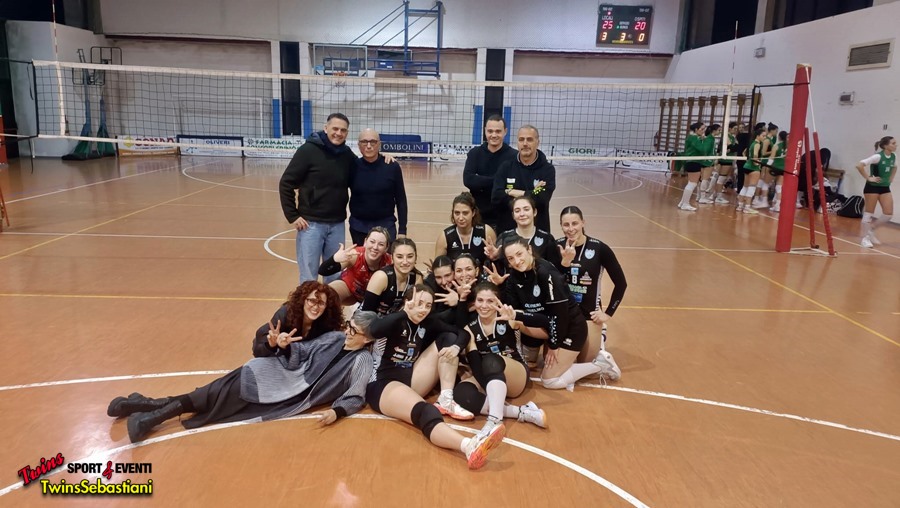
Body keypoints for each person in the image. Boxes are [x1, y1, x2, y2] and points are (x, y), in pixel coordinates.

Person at [108, 283, 373, 443]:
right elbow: (295, 352)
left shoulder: (358, 357)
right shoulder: (326, 334)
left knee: (214, 397)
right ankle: (150, 417)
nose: (348, 332)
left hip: (289, 394)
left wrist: (338, 412)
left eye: (355, 330)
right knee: (212, 393)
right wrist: (279, 344)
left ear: (368, 338)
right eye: (312, 300)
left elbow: (356, 395)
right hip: (272, 370)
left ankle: (142, 405)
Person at [365, 286, 503, 470]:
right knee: (426, 411)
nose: (423, 309)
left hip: (411, 379)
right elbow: (374, 330)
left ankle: (446, 398)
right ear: (407, 302)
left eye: (428, 305)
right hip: (383, 385)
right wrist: (405, 312)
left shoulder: (427, 322)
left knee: (448, 338)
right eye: (419, 303)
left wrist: (456, 347)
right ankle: (469, 446)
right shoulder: (395, 320)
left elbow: (461, 333)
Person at [492, 237, 611, 391]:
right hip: (550, 324)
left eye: (519, 254)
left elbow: (559, 315)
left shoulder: (546, 273)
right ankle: (521, 357)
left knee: (549, 381)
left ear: (529, 250)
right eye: (511, 258)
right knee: (513, 318)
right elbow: (514, 309)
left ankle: (600, 364)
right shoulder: (515, 276)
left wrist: (554, 346)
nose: (516, 261)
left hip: (571, 327)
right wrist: (501, 287)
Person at [453, 282, 548, 439]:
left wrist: (518, 316)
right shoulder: (470, 329)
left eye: (490, 301)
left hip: (515, 375)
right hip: (488, 376)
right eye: (480, 300)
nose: (484, 305)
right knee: (461, 394)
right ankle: (521, 412)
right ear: (474, 303)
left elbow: (546, 326)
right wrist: (489, 389)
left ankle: (494, 421)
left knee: (491, 360)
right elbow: (476, 366)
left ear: (498, 302)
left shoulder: (509, 317)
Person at [280, 113, 357, 284]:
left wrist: (382, 157)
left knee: (334, 274)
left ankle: (331, 303)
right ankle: (308, 303)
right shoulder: (308, 151)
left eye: (343, 130)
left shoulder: (346, 155)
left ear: (347, 133)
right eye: (335, 128)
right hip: (311, 225)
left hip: (337, 224)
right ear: (326, 128)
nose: (338, 133)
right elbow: (286, 183)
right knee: (309, 276)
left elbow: (364, 169)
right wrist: (292, 215)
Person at [556, 206, 625, 380]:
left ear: (583, 223)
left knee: (588, 372)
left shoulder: (599, 248)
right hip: (563, 314)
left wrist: (607, 313)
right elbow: (550, 280)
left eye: (575, 223)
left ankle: (600, 342)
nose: (570, 229)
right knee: (557, 367)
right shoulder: (556, 247)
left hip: (589, 315)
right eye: (566, 224)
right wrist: (564, 263)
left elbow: (621, 284)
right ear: (561, 225)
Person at [348, 129, 408, 246]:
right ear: (359, 145)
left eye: (373, 142)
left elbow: (401, 200)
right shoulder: (352, 166)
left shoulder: (392, 166)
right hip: (358, 227)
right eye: (364, 142)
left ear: (379, 144)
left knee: (386, 258)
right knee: (361, 258)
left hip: (386, 226)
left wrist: (402, 230)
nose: (368, 146)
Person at [491, 125, 556, 233]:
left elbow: (541, 200)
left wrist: (511, 192)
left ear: (537, 143)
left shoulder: (547, 170)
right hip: (507, 232)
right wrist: (531, 193)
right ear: (517, 142)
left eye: (529, 139)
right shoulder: (506, 167)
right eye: (521, 139)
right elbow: (496, 198)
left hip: (538, 233)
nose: (525, 143)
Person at [463, 115, 518, 231]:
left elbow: (515, 183)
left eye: (498, 131)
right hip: (478, 215)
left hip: (505, 215)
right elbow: (468, 180)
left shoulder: (514, 156)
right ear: (485, 131)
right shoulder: (475, 153)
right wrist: (499, 182)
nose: (494, 135)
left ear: (505, 132)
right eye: (490, 131)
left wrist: (480, 180)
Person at [318, 226, 393, 305]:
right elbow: (322, 271)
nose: (375, 247)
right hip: (350, 289)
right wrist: (334, 259)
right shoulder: (355, 255)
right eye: (372, 242)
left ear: (386, 248)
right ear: (365, 242)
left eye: (381, 244)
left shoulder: (390, 262)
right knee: (326, 295)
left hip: (376, 295)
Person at [485, 195, 560, 273]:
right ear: (513, 215)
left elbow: (554, 269)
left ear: (534, 212)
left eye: (526, 209)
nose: (522, 214)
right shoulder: (504, 237)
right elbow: (499, 270)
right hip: (512, 280)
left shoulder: (547, 238)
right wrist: (494, 258)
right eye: (517, 211)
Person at [362, 237, 424, 316]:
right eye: (399, 257)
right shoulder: (381, 277)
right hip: (370, 320)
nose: (405, 262)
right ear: (392, 258)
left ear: (416, 257)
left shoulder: (417, 278)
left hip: (397, 321)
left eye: (410, 256)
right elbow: (365, 314)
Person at [434, 192, 496, 267]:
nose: (460, 218)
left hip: (481, 274)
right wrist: (434, 269)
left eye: (465, 213)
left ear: (473, 213)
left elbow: (498, 260)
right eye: (457, 213)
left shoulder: (486, 231)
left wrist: (495, 257)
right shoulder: (445, 237)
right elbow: (438, 266)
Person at [856, 136, 896, 248]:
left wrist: (891, 179)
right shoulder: (878, 156)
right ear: (886, 146)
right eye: (893, 143)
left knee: (888, 214)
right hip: (872, 188)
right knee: (869, 213)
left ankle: (871, 230)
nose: (896, 145)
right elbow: (859, 165)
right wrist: (868, 178)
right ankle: (865, 238)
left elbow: (895, 167)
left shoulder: (894, 156)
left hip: (885, 187)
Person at [736, 126, 767, 215]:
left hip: (746, 166)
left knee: (745, 187)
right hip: (753, 168)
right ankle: (747, 207)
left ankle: (740, 206)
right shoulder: (757, 144)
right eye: (763, 136)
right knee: (751, 187)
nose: (764, 138)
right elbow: (755, 155)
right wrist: (757, 163)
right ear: (758, 135)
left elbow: (744, 153)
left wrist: (750, 160)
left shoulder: (751, 143)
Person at [676, 121, 706, 211]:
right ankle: (685, 204)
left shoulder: (692, 137)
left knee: (691, 183)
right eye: (702, 129)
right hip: (693, 161)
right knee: (692, 183)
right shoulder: (694, 138)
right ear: (696, 129)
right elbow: (702, 149)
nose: (703, 131)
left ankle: (682, 202)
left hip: (692, 161)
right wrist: (703, 141)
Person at [710, 121, 740, 205]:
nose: (736, 130)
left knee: (721, 178)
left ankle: (714, 194)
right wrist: (732, 148)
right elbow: (733, 147)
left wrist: (733, 148)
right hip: (725, 160)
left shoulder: (733, 137)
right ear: (729, 128)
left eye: (737, 129)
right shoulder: (726, 136)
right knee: (721, 179)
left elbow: (736, 147)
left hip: (729, 159)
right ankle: (718, 197)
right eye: (734, 128)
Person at [765, 131, 789, 212]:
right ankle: (777, 205)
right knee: (779, 187)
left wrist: (767, 167)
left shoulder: (776, 146)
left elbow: (771, 158)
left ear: (779, 137)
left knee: (765, 183)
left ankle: (762, 201)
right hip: (784, 169)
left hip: (775, 168)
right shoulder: (790, 147)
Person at [697, 124, 721, 204]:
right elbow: (706, 150)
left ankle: (699, 196)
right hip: (708, 161)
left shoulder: (710, 138)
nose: (720, 132)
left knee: (702, 179)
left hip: (706, 160)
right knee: (705, 179)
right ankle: (702, 197)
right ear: (714, 131)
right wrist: (711, 159)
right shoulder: (709, 139)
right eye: (719, 130)